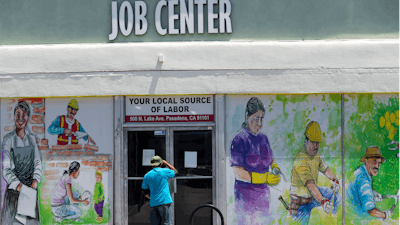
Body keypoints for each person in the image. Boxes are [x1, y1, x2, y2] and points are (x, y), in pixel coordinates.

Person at [230, 97, 281, 224]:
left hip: (263, 198)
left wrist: (275, 167)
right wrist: (264, 178)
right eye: (255, 118)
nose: (259, 123)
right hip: (245, 200)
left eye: (261, 118)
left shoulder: (263, 138)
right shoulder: (239, 139)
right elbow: (238, 172)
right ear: (247, 116)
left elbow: (271, 159)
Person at [289, 121, 340, 224]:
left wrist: (335, 180)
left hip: (312, 198)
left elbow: (325, 169)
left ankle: (334, 219)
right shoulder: (300, 160)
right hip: (300, 204)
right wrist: (323, 201)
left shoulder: (316, 155)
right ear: (306, 141)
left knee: (335, 195)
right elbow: (311, 185)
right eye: (313, 142)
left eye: (317, 142)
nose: (316, 146)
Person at [1, 101, 42, 225]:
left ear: (28, 117)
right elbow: (6, 169)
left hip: (29, 190)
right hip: (14, 191)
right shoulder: (9, 140)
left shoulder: (32, 139)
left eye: (23, 115)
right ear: (14, 117)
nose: (20, 119)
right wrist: (18, 185)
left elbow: (37, 162)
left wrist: (35, 180)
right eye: (17, 115)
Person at [347, 146, 393, 221]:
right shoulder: (363, 179)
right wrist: (386, 215)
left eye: (379, 163)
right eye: (374, 162)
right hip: (357, 219)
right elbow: (371, 211)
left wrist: (373, 193)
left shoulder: (359, 172)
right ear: (366, 161)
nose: (377, 166)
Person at [141, 156, 178, 225]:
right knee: (167, 223)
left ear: (151, 164)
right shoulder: (165, 171)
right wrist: (166, 163)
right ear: (160, 164)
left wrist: (151, 198)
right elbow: (175, 172)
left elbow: (144, 191)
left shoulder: (147, 175)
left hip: (154, 203)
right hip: (164, 201)